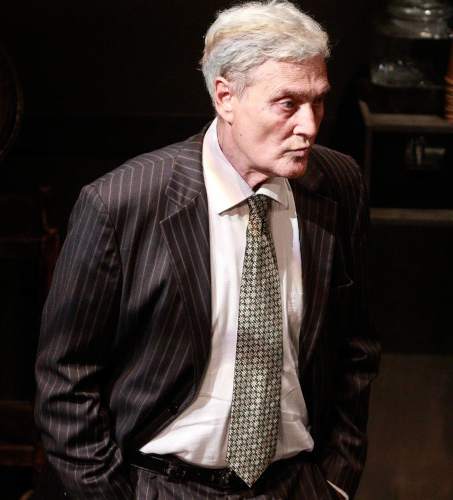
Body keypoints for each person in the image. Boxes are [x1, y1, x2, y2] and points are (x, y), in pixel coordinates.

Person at [33, 1, 379, 498]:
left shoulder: (339, 184)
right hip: (161, 484)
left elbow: (356, 348)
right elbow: (65, 377)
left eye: (318, 101)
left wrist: (335, 481)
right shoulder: (121, 202)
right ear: (225, 97)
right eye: (287, 104)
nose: (309, 125)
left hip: (294, 483)